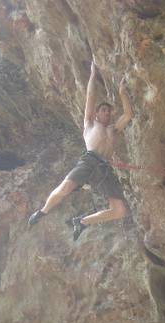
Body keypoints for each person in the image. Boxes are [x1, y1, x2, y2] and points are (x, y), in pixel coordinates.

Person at [27, 60, 133, 240]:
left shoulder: (113, 129)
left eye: (109, 112)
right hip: (89, 160)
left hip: (104, 170)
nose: (107, 113)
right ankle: (43, 212)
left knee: (120, 210)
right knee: (65, 188)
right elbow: (90, 96)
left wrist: (123, 93)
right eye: (103, 111)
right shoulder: (90, 125)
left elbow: (128, 115)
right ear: (97, 114)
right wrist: (92, 73)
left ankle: (82, 222)